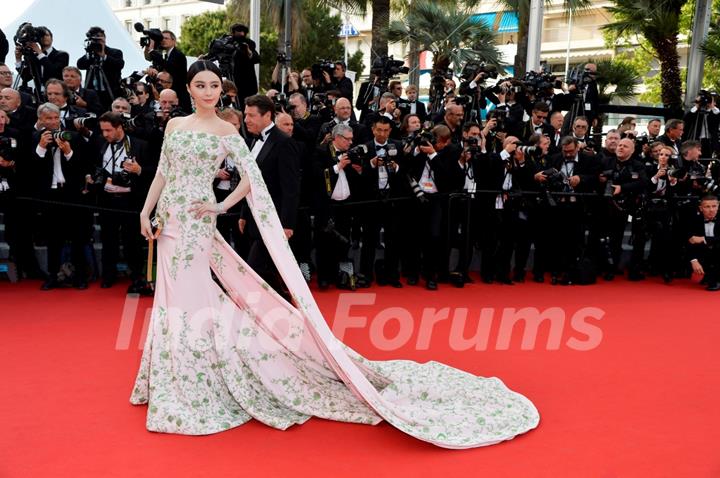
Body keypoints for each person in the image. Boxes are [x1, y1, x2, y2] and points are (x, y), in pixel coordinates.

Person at [130, 59, 539, 447]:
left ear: (223, 90)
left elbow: (251, 181)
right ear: (187, 88)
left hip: (199, 224)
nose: (207, 92)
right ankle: (170, 374)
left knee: (191, 296)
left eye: (214, 85)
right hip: (170, 223)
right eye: (200, 85)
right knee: (170, 298)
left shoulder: (227, 132)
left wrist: (220, 207)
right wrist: (147, 212)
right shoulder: (177, 126)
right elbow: (163, 172)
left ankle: (198, 378)